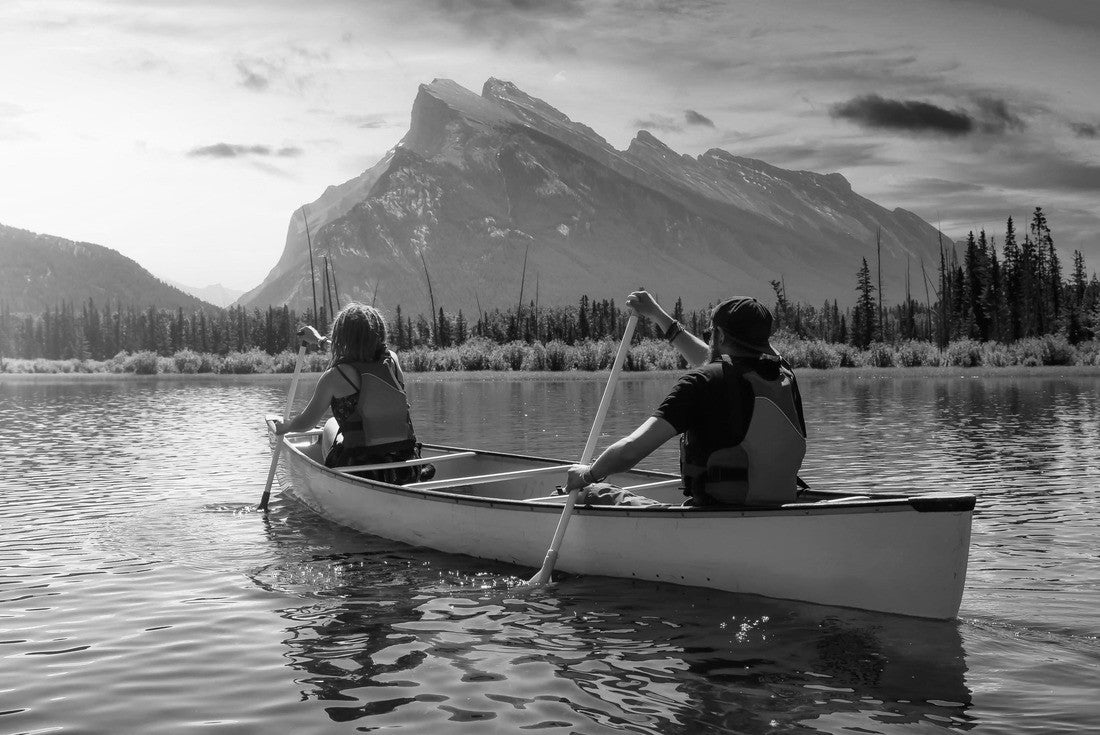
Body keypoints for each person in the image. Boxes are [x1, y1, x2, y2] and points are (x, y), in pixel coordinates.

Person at [565, 290, 807, 506]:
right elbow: (711, 359)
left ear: (720, 336)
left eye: (710, 333)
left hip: (717, 510)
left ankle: (585, 491)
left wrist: (587, 474)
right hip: (780, 502)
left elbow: (630, 451)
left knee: (590, 492)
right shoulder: (783, 376)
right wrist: (657, 314)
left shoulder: (702, 382)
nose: (709, 338)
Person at [274, 302, 424, 484]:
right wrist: (320, 340)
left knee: (330, 424)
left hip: (360, 471)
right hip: (406, 466)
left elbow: (307, 422)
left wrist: (286, 426)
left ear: (341, 337)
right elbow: (362, 354)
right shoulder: (392, 360)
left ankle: (328, 484)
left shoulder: (334, 377)